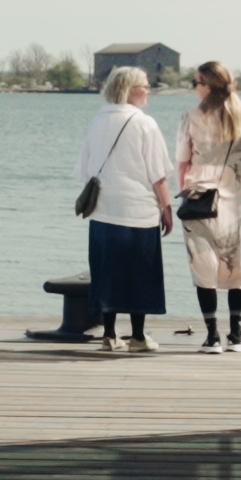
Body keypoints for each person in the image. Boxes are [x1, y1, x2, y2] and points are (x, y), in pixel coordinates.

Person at [73, 66, 176, 353]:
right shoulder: (145, 123)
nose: (148, 91)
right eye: (144, 86)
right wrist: (166, 207)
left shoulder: (97, 120)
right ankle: (138, 337)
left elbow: (84, 168)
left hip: (103, 209)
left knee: (107, 272)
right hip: (138, 210)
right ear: (130, 90)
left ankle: (109, 335)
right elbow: (158, 173)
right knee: (140, 274)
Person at [176, 59, 241, 352]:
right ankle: (236, 333)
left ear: (207, 87)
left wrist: (184, 189)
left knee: (203, 266)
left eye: (196, 82)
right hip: (238, 201)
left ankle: (211, 337)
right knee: (238, 266)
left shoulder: (189, 118)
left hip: (199, 200)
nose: (194, 87)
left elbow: (182, 162)